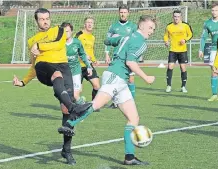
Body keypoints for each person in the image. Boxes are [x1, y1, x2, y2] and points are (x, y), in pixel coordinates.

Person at [61, 15, 156, 165]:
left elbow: (108, 41)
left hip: (119, 80)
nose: (152, 31)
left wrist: (113, 42)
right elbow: (130, 61)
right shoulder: (141, 41)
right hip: (115, 76)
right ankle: (70, 124)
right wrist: (146, 78)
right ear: (142, 26)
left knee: (133, 118)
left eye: (153, 29)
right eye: (150, 27)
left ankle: (129, 157)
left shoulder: (127, 36)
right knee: (97, 104)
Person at [12, 8, 92, 165]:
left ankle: (66, 150)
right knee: (56, 75)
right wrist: (24, 82)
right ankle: (75, 107)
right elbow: (34, 65)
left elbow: (58, 44)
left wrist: (40, 46)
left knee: (66, 110)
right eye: (41, 19)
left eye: (47, 18)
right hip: (44, 67)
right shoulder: (31, 40)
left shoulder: (59, 30)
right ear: (36, 21)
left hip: (64, 67)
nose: (45, 21)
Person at [105, 4, 137, 109]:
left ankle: (131, 100)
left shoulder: (133, 27)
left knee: (131, 79)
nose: (123, 14)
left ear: (128, 13)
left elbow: (136, 41)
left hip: (128, 56)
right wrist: (106, 54)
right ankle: (115, 102)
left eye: (124, 12)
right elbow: (108, 41)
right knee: (116, 79)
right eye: (121, 12)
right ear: (119, 13)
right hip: (117, 56)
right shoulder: (113, 26)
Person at [61, 22, 93, 104]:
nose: (66, 33)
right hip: (65, 72)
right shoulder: (59, 44)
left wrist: (88, 66)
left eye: (67, 31)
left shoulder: (77, 42)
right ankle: (81, 102)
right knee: (66, 95)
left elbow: (82, 54)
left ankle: (82, 107)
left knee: (75, 95)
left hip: (76, 71)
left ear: (71, 32)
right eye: (64, 31)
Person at [164, 10, 193, 93]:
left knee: (183, 68)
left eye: (178, 16)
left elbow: (190, 34)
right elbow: (166, 35)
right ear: (173, 17)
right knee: (170, 67)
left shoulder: (185, 25)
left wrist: (185, 39)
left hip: (182, 50)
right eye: (175, 16)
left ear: (181, 17)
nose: (176, 18)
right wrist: (166, 41)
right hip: (172, 50)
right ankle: (168, 86)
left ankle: (183, 87)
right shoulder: (169, 26)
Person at [75, 16, 100, 108]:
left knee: (97, 85)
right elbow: (73, 48)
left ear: (93, 25)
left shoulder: (92, 37)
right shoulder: (79, 35)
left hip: (88, 66)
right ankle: (75, 106)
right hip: (78, 66)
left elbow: (91, 51)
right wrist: (83, 56)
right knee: (78, 91)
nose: (89, 24)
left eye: (91, 23)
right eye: (88, 22)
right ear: (84, 24)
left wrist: (94, 60)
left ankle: (94, 105)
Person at [199, 2, 218, 101]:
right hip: (214, 49)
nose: (214, 12)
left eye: (216, 10)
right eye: (213, 10)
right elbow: (203, 37)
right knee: (214, 71)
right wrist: (200, 49)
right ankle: (215, 94)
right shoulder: (207, 23)